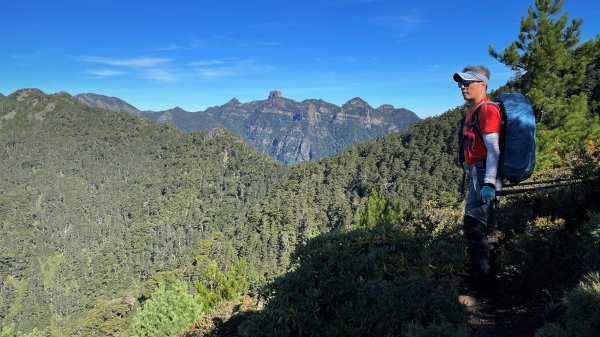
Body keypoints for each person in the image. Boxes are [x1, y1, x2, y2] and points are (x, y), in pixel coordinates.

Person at [454, 65, 502, 300]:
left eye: (467, 82)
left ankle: (478, 291)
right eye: (461, 83)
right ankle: (492, 283)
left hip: (484, 174)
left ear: (482, 84)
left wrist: (489, 183)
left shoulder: (487, 110)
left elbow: (494, 150)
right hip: (478, 173)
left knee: (474, 228)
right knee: (486, 230)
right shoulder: (475, 111)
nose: (463, 87)